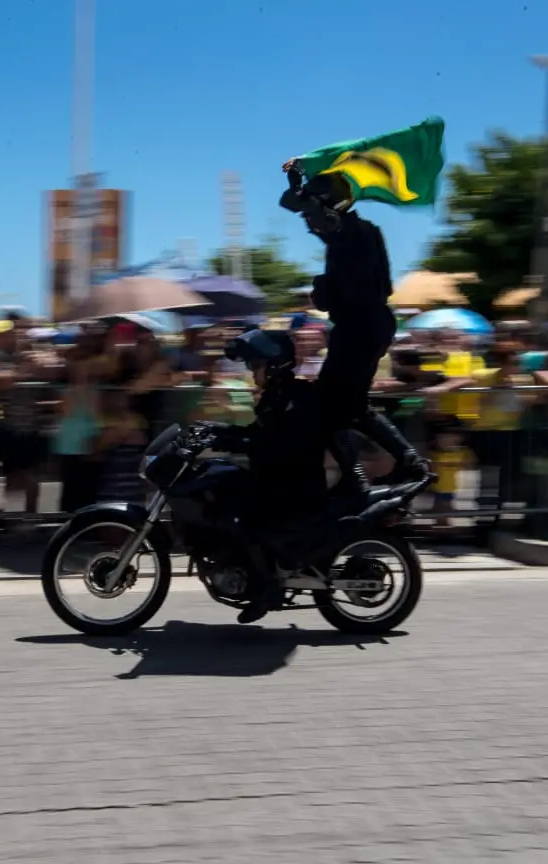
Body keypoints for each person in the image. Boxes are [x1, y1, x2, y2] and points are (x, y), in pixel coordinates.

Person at [279, 163, 429, 492]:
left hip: (359, 327)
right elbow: (297, 203)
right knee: (351, 407)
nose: (308, 225)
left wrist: (322, 289)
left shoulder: (350, 238)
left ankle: (359, 477)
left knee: (329, 407)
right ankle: (407, 463)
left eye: (311, 216)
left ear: (329, 209)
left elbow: (339, 294)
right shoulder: (359, 231)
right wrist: (296, 178)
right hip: (366, 326)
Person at [209, 328, 331, 624]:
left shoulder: (298, 396)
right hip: (279, 477)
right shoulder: (275, 396)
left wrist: (234, 442)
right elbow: (258, 434)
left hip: (296, 484)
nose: (252, 372)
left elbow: (277, 443)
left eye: (256, 366)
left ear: (276, 365)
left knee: (240, 517)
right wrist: (216, 431)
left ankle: (269, 587)